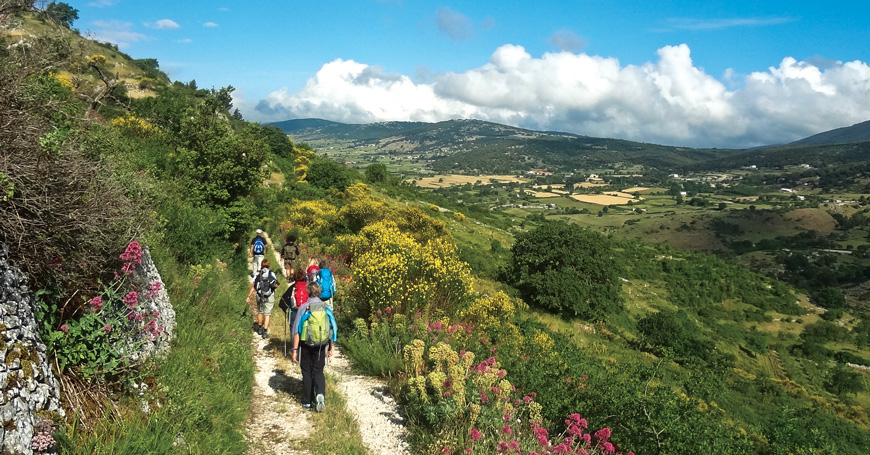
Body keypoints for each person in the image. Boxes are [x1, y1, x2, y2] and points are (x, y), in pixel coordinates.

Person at [291, 282, 337, 412]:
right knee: (318, 371)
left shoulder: (304, 308)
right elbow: (330, 330)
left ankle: (307, 401)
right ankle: (320, 394)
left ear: (308, 292)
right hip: (321, 345)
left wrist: (294, 350)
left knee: (306, 371)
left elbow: (296, 332)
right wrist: (330, 347)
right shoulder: (326, 308)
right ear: (319, 292)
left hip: (306, 345)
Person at [248, 259, 279, 339]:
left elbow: (253, 286)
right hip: (269, 296)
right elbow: (276, 284)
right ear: (269, 265)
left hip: (259, 295)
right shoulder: (271, 273)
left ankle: (259, 328)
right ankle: (265, 331)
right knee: (267, 314)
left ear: (261, 265)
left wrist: (248, 296)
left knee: (260, 311)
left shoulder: (258, 274)